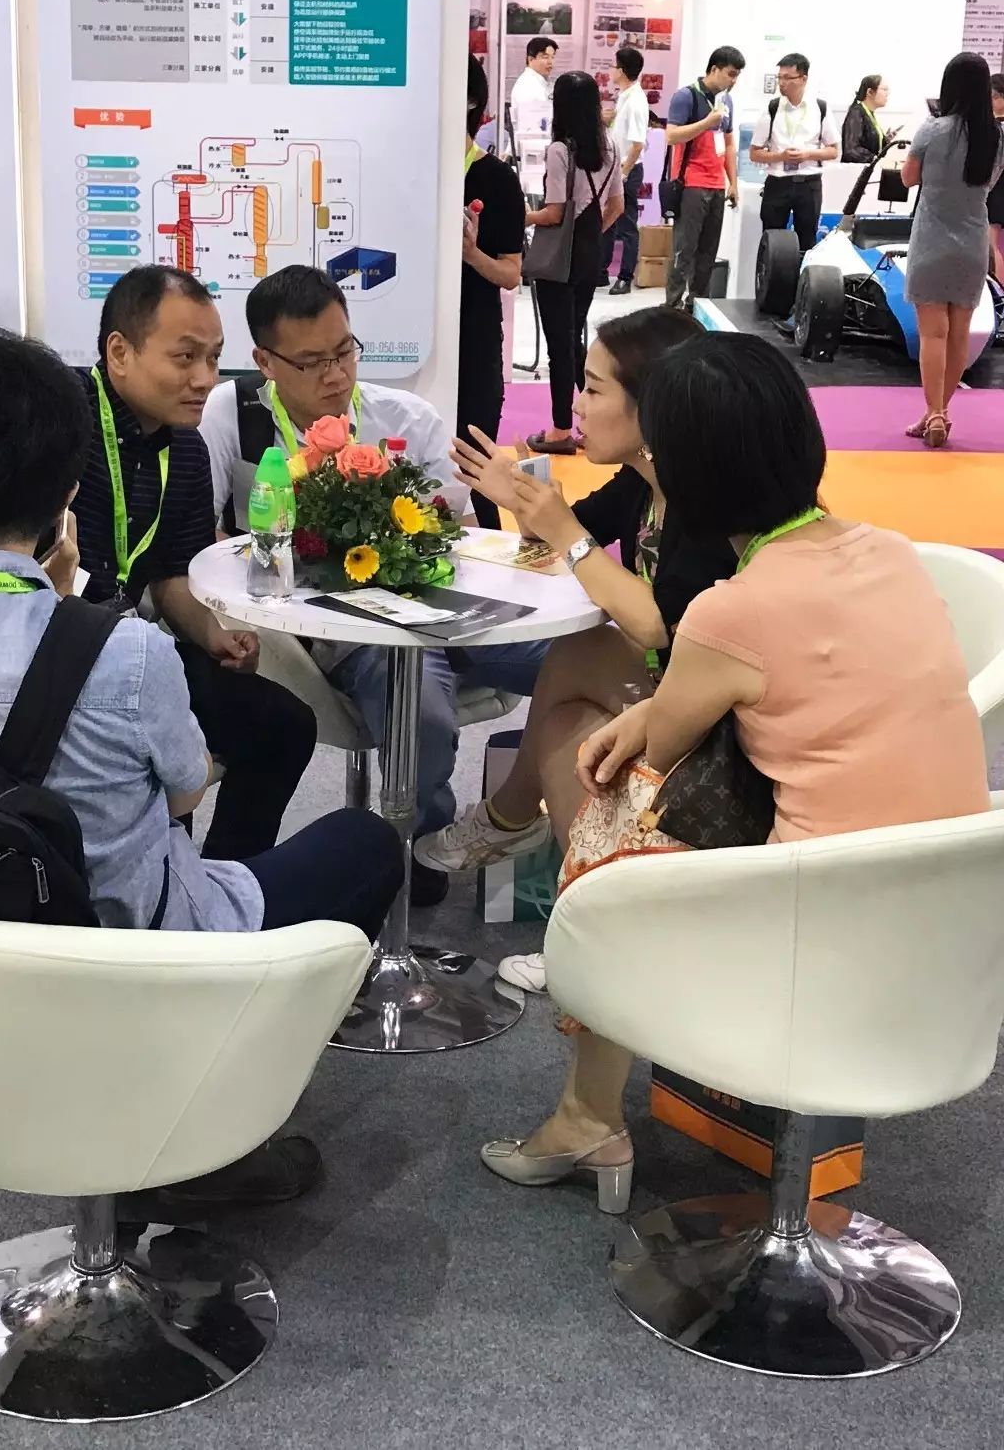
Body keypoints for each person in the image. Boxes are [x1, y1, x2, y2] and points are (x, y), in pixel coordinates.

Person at [0, 325, 404, 1204]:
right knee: (368, 845)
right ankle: (199, 1137)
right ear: (67, 496)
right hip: (129, 979)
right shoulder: (125, 654)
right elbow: (185, 790)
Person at [477, 331, 989, 1201]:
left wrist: (637, 721)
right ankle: (592, 1105)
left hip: (807, 929)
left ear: (687, 473)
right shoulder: (891, 551)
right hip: (958, 931)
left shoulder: (731, 608)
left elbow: (663, 749)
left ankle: (587, 1108)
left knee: (613, 813)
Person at [200, 264, 548, 908]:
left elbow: (463, 533)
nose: (336, 375)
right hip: (342, 632)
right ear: (265, 361)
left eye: (344, 351)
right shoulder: (232, 416)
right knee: (424, 716)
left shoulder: (406, 418)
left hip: (445, 607)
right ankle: (426, 835)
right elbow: (208, 541)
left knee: (576, 659)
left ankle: (523, 816)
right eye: (312, 363)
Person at [416, 305, 737, 980]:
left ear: (651, 406)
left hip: (718, 716)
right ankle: (534, 853)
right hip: (669, 682)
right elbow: (564, 538)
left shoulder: (706, 501)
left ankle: (541, 866)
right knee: (571, 671)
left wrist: (563, 529)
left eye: (593, 389)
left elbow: (655, 624)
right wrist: (523, 497)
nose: (577, 407)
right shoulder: (641, 482)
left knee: (576, 718)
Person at [72, 265, 317, 861]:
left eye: (213, 358)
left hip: (131, 648)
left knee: (285, 725)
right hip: (52, 654)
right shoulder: (58, 418)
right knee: (148, 756)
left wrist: (213, 635)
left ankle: (222, 880)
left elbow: (170, 574)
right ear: (119, 352)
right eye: (185, 358)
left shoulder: (185, 449)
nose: (205, 379)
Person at [900, 53, 1004, 448]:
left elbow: (909, 177)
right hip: (973, 240)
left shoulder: (932, 128)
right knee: (959, 333)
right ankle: (940, 410)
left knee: (933, 334)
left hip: (932, 238)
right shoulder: (997, 136)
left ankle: (934, 414)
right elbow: (989, 183)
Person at [525, 70, 625, 455]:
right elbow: (617, 206)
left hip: (560, 260)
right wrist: (590, 234)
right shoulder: (610, 147)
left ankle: (560, 430)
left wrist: (522, 216)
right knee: (573, 337)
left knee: (559, 346)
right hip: (589, 255)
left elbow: (553, 213)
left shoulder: (560, 151)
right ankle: (600, 417)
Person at [462, 53, 526, 528]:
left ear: (470, 101)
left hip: (475, 339)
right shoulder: (405, 172)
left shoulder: (497, 179)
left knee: (476, 472)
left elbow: (510, 273)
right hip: (407, 345)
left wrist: (470, 254)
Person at [664, 45, 745, 314]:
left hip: (716, 185)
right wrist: (707, 122)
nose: (734, 81)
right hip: (691, 183)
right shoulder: (686, 96)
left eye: (737, 75)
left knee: (708, 253)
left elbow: (729, 144)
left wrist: (733, 182)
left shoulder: (727, 101)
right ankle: (672, 307)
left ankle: (696, 305)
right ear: (714, 69)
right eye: (730, 74)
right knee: (684, 249)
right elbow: (671, 136)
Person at [748, 51, 840, 255]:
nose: (782, 83)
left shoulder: (820, 108)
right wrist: (780, 157)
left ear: (803, 79)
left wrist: (807, 155)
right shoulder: (772, 108)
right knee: (771, 241)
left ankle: (802, 276)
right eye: (779, 77)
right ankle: (770, 276)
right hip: (777, 183)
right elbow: (754, 153)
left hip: (809, 183)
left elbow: (834, 150)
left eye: (787, 78)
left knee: (807, 241)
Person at [599, 45, 649, 297]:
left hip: (627, 170)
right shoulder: (624, 96)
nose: (610, 70)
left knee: (627, 224)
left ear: (622, 70)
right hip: (614, 168)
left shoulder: (637, 101)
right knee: (607, 219)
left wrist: (624, 172)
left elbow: (638, 144)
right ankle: (601, 269)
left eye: (613, 65)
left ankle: (625, 277)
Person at [509, 36, 557, 156]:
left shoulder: (542, 82)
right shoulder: (528, 86)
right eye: (545, 57)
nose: (550, 62)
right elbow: (532, 128)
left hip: (537, 148)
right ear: (530, 59)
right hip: (530, 151)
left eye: (552, 57)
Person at [841, 74, 890, 164]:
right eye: (884, 89)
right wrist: (875, 159)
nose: (888, 94)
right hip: (855, 171)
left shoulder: (869, 114)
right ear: (870, 92)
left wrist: (886, 140)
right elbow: (852, 150)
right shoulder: (856, 113)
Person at [989, 73, 1004, 281]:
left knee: (990, 245)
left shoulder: (998, 127)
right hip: (996, 187)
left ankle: (997, 291)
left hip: (997, 188)